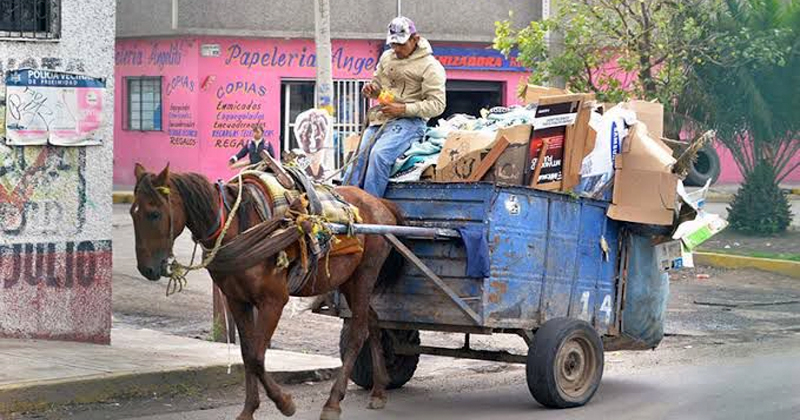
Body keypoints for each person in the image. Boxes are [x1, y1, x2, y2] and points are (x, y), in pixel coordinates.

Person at [344, 16, 446, 197]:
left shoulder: (431, 67)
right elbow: (378, 87)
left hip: (410, 123)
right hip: (381, 120)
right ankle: (343, 201)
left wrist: (404, 109)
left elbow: (437, 105)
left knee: (379, 155)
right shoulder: (386, 58)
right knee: (358, 158)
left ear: (415, 39)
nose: (396, 49)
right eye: (393, 44)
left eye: (401, 44)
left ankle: (370, 204)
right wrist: (371, 89)